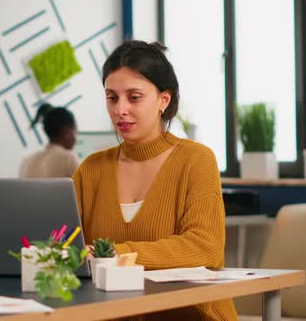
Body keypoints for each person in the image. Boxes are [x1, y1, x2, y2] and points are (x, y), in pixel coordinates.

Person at [73, 41, 238, 320]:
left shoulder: (196, 159)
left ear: (164, 99)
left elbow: (204, 247)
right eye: (112, 97)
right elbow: (64, 246)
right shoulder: (91, 169)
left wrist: (116, 255)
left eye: (134, 97)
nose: (120, 109)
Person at [19, 104, 80, 178]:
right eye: (75, 130)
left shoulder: (26, 162)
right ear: (67, 131)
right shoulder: (68, 158)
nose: (77, 136)